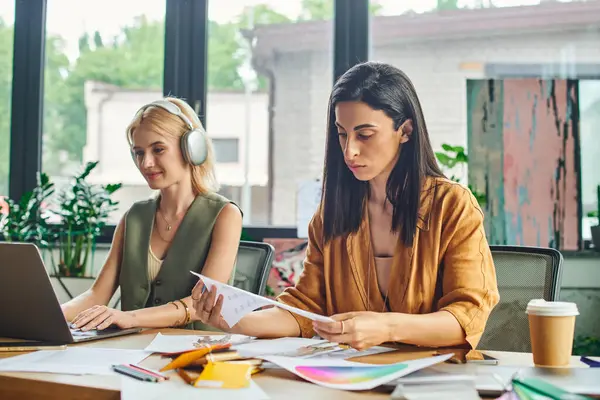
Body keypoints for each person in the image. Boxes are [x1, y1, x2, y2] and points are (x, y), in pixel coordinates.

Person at [192, 61, 500, 350]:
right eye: (342, 134)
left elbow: (467, 315)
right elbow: (305, 309)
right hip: (349, 378)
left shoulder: (452, 205)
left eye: (365, 135)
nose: (349, 150)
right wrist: (236, 320)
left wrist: (388, 328)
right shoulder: (331, 214)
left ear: (405, 131)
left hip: (433, 378)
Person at [61, 97, 243, 331]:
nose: (146, 163)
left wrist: (130, 318)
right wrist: (46, 316)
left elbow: (199, 304)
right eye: (138, 153)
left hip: (195, 354)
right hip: (131, 351)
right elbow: (97, 295)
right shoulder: (133, 218)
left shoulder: (225, 215)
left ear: (191, 149)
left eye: (158, 149)